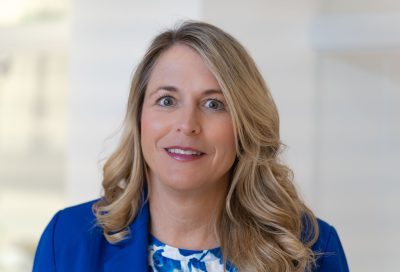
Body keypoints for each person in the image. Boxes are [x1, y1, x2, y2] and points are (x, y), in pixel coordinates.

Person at [33, 21, 349, 272]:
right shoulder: (69, 240)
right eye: (167, 100)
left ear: (244, 125)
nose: (187, 124)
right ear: (139, 117)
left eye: (213, 104)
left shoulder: (312, 250)